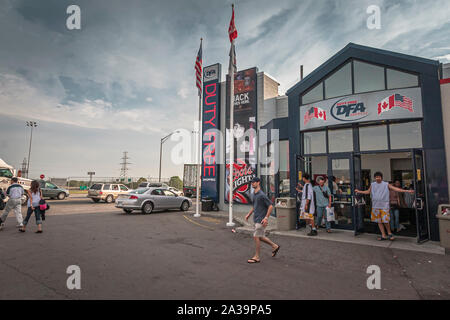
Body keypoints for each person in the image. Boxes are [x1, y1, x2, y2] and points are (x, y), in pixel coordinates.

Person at [355, 172, 413, 241]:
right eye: (376, 177)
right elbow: (368, 192)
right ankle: (383, 235)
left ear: (381, 178)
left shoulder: (386, 184)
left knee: (386, 221)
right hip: (375, 206)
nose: (377, 178)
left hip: (384, 206)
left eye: (379, 177)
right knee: (379, 221)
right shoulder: (372, 184)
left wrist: (407, 191)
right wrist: (359, 191)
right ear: (374, 178)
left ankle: (389, 233)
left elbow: (396, 189)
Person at [245, 177, 280, 263]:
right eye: (251, 182)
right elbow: (254, 206)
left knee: (256, 236)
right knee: (260, 237)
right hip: (256, 218)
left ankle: (257, 257)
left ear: (258, 183)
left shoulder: (261, 194)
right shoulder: (254, 194)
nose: (252, 184)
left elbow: (271, 206)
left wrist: (266, 218)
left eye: (254, 182)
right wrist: (248, 214)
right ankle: (274, 246)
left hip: (261, 220)